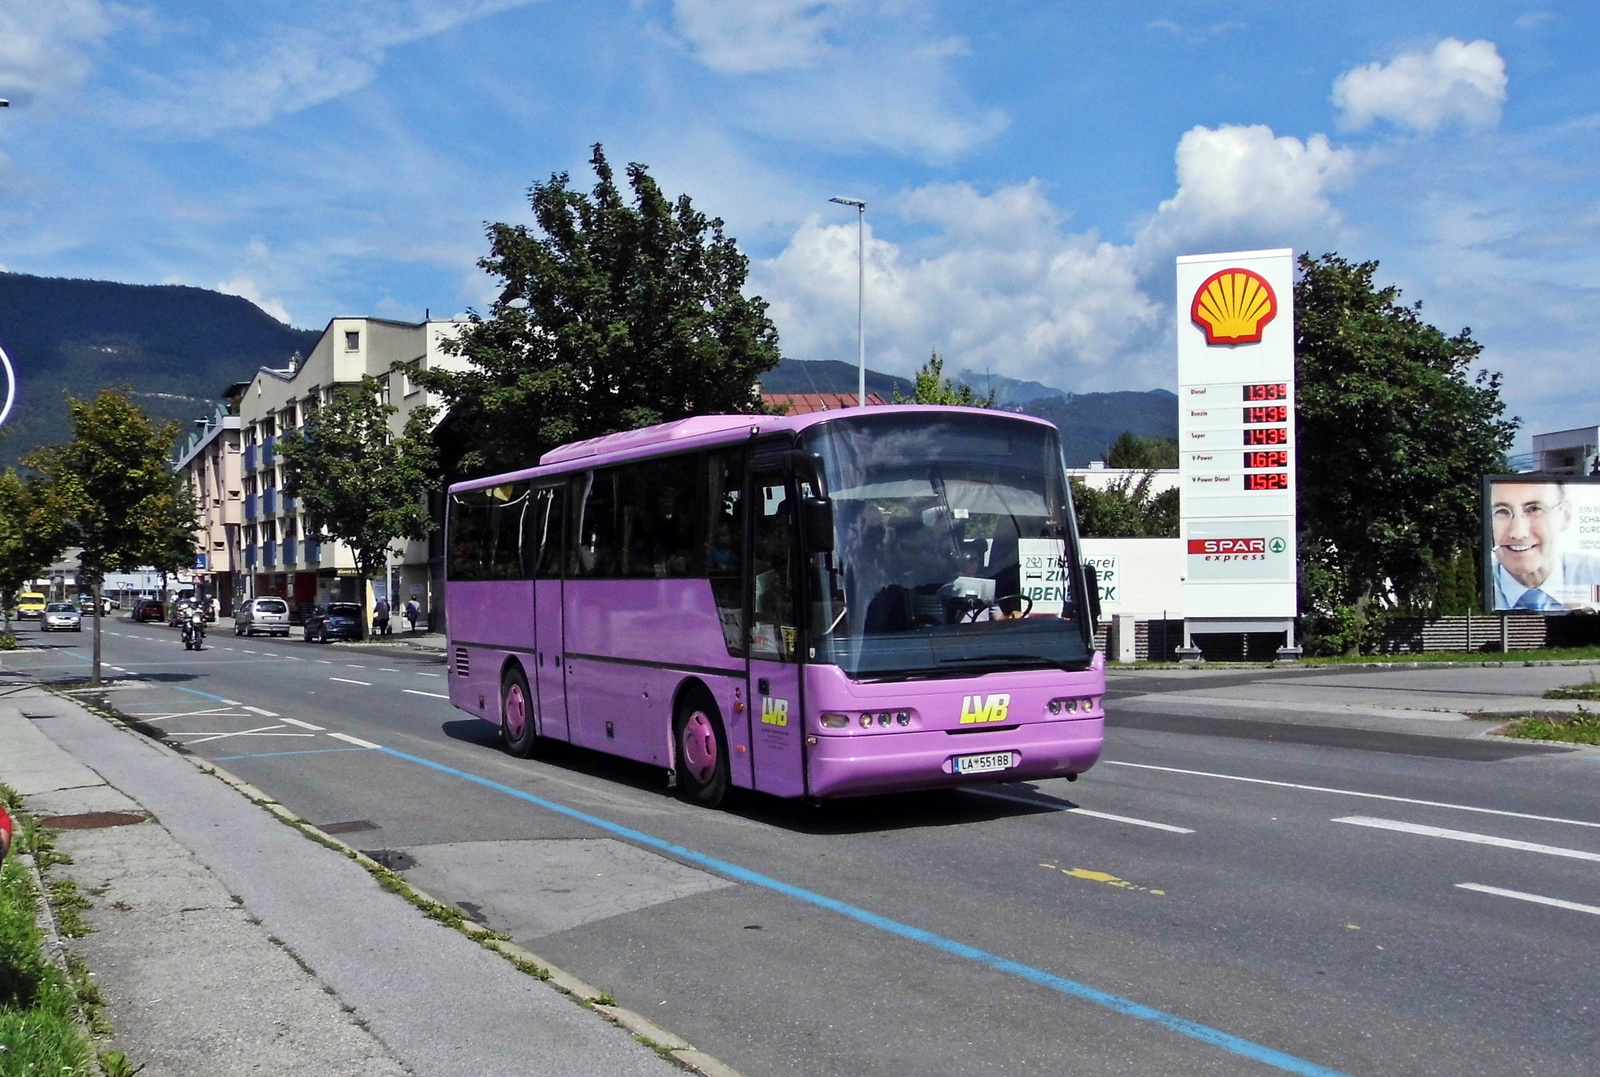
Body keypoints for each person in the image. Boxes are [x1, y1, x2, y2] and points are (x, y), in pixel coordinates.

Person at [1490, 480, 1600, 610]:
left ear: (1565, 516)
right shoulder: (1477, 583)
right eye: (1501, 511)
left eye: (1534, 509)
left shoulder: (1595, 573)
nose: (1518, 533)